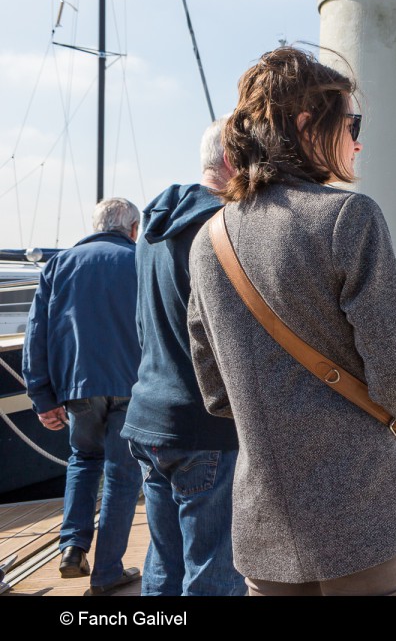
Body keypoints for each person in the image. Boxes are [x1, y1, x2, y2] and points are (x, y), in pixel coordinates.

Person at [187, 46, 396, 596]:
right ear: (308, 124)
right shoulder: (348, 217)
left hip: (264, 522)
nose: (359, 139)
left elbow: (215, 393)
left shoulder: (208, 241)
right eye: (351, 122)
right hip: (365, 510)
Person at [121, 117, 244, 596]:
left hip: (149, 416)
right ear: (233, 161)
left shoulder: (151, 233)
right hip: (204, 424)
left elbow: (142, 325)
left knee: (164, 561)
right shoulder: (220, 229)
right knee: (214, 568)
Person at [22, 198, 143, 596]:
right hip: (131, 384)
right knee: (123, 477)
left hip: (78, 386)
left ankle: (72, 547)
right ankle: (107, 571)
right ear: (132, 229)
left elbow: (35, 334)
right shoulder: (142, 261)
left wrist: (42, 397)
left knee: (83, 460)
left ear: (95, 225)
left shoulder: (57, 266)